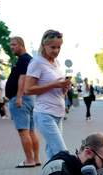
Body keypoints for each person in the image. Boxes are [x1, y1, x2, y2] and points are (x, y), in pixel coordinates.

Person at [25, 30, 70, 160]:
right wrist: (54, 84)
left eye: (59, 47)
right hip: (44, 113)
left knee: (52, 152)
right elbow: (28, 90)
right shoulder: (37, 62)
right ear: (44, 45)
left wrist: (64, 87)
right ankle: (68, 173)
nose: (56, 51)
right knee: (62, 152)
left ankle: (49, 173)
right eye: (53, 47)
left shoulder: (56, 63)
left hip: (58, 113)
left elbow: (58, 88)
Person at [5, 36, 41, 168]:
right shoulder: (28, 59)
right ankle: (35, 159)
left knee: (23, 131)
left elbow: (23, 79)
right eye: (11, 45)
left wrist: (19, 97)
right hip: (28, 99)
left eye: (14, 45)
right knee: (31, 131)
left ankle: (29, 160)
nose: (11, 47)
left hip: (21, 99)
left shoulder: (23, 59)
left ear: (21, 45)